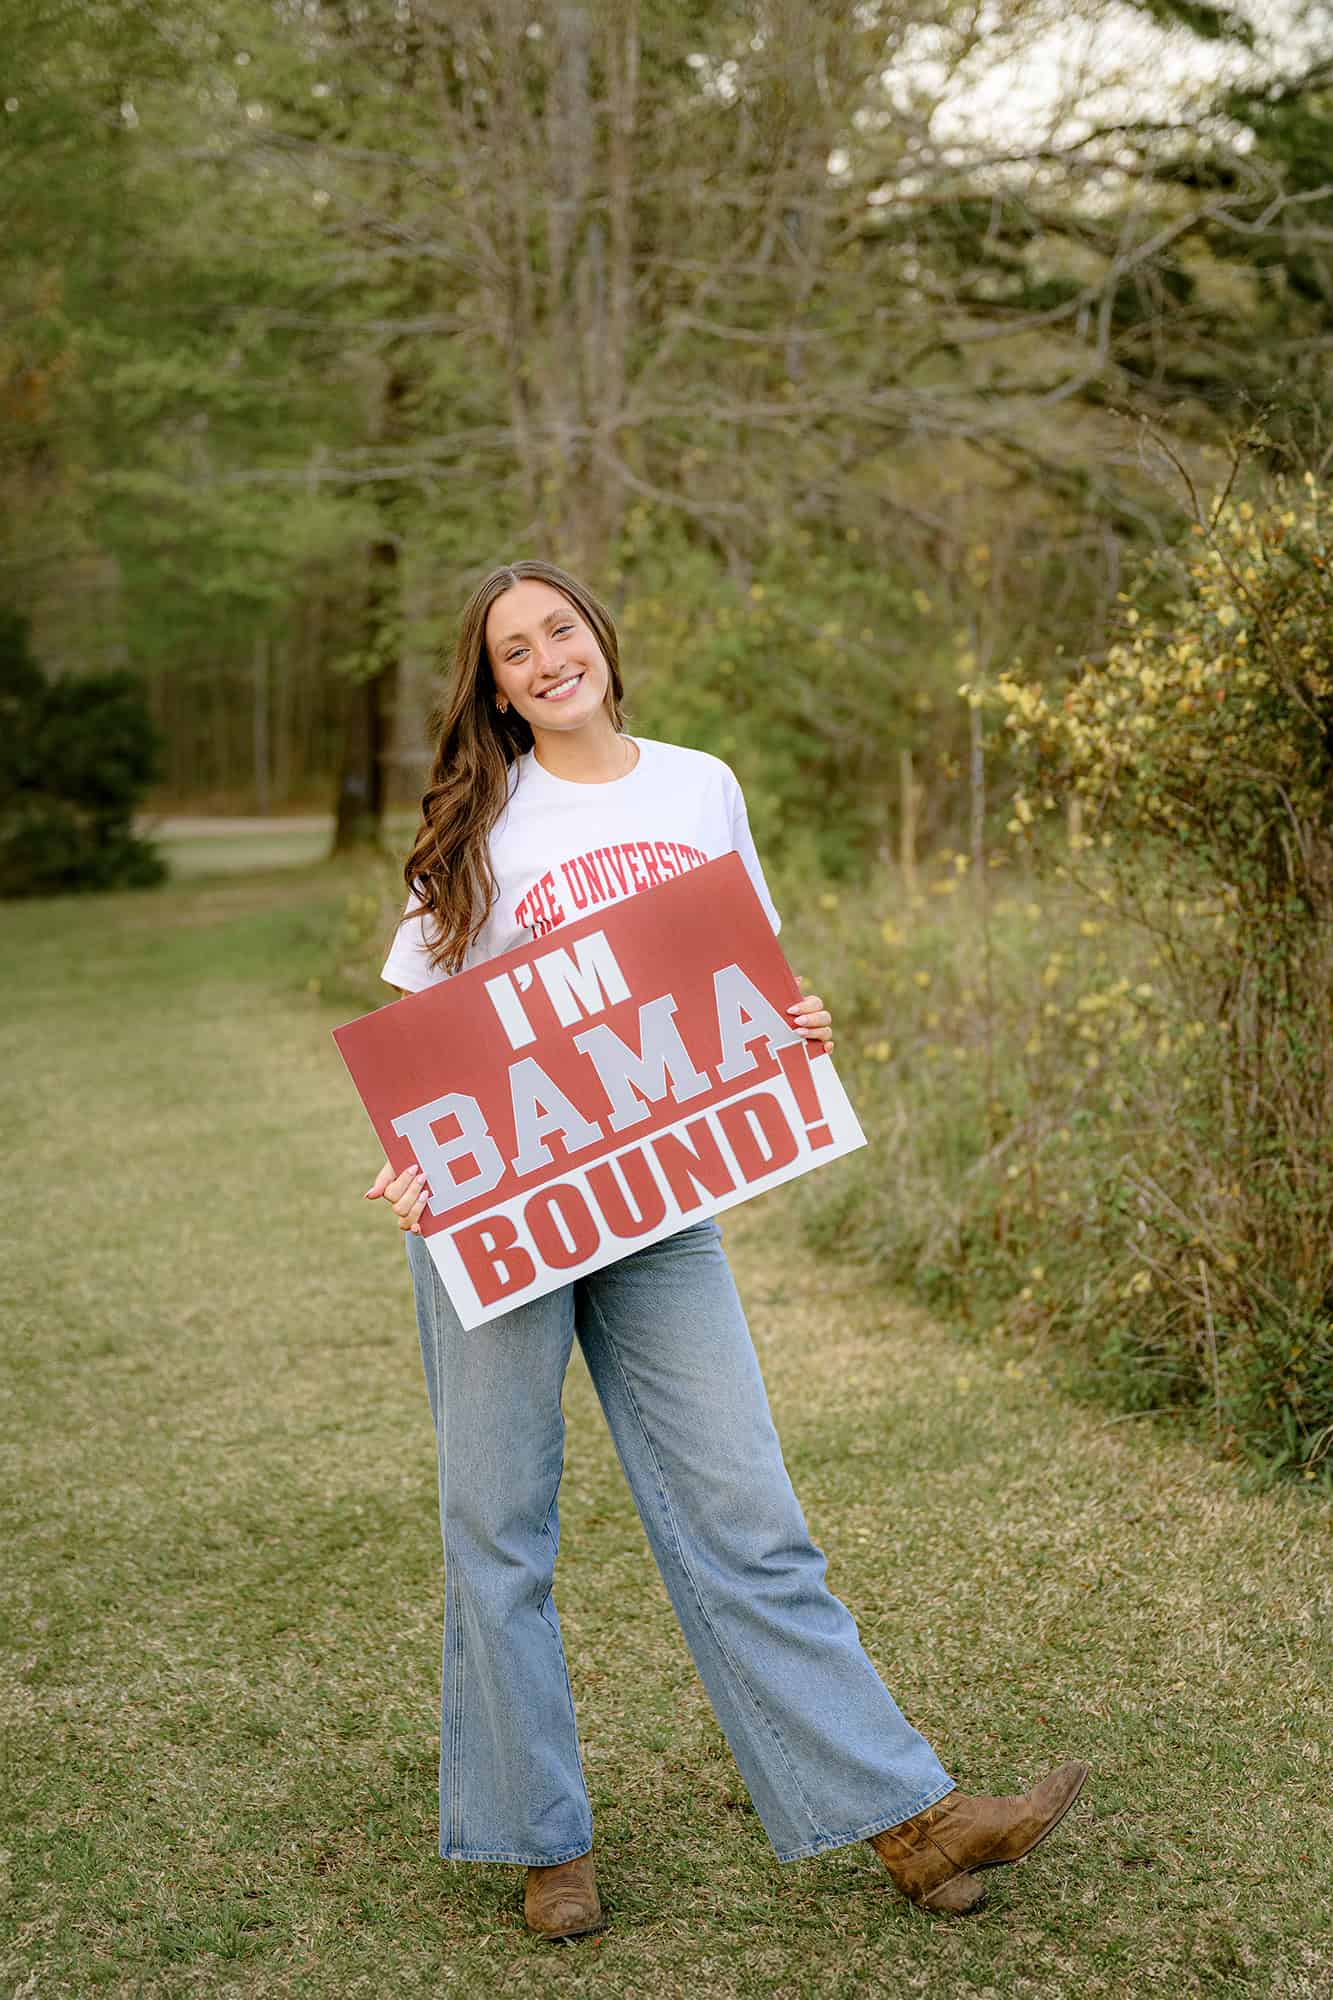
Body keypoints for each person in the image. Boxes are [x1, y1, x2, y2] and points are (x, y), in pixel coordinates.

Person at [365, 559, 1088, 1938]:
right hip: (502, 1203)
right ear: (496, 685)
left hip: (656, 1209)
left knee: (748, 1516)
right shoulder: (483, 811)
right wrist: (415, 1158)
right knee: (499, 1526)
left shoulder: (698, 783)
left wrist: (793, 1033)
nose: (542, 659)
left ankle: (909, 1827)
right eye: (512, 651)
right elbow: (422, 1019)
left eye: (557, 630)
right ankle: (541, 1839)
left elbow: (735, 974)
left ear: (599, 638)